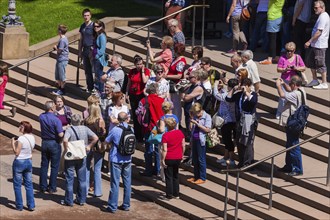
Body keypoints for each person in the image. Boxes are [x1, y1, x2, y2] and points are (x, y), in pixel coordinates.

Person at [62, 114, 98, 206]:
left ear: (72, 122)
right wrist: (89, 146)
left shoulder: (69, 130)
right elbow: (95, 138)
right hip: (82, 155)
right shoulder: (85, 128)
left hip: (71, 156)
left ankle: (69, 201)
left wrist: (66, 149)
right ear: (80, 121)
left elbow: (65, 140)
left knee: (69, 179)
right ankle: (81, 200)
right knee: (82, 179)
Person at [276, 76, 306, 176]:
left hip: (293, 122)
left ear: (294, 84)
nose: (289, 86)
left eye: (290, 84)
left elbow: (282, 95)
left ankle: (297, 169)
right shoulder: (301, 90)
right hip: (297, 121)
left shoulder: (295, 94)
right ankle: (289, 165)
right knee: (289, 145)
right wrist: (284, 84)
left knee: (293, 145)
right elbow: (290, 90)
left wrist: (278, 86)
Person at [226, 78, 258, 168]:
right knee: (239, 141)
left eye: (243, 85)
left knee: (247, 142)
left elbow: (252, 101)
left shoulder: (253, 95)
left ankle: (248, 162)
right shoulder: (239, 95)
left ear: (248, 86)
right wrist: (233, 89)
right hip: (239, 120)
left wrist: (246, 92)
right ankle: (241, 161)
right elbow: (228, 98)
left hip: (249, 121)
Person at [105, 112, 133, 213]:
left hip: (116, 158)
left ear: (118, 119)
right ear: (127, 119)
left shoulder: (115, 130)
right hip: (128, 159)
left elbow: (107, 141)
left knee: (115, 183)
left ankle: (112, 206)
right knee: (127, 183)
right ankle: (126, 204)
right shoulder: (131, 129)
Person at [139, 83, 165, 177]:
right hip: (159, 128)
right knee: (158, 148)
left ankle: (148, 170)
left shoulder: (143, 100)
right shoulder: (162, 100)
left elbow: (139, 113)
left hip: (149, 128)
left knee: (149, 148)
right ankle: (157, 170)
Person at [39, 100, 64, 193]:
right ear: (51, 108)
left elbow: (43, 114)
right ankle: (52, 187)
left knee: (44, 165)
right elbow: (60, 134)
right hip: (54, 143)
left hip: (45, 142)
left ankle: (43, 186)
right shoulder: (56, 119)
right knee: (54, 166)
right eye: (54, 106)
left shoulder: (41, 117)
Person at [276, 42, 307, 118]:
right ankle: (279, 112)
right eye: (287, 50)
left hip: (295, 82)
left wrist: (296, 68)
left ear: (294, 50)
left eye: (291, 50)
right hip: (285, 80)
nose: (289, 52)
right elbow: (278, 69)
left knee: (293, 98)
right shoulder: (282, 58)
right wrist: (285, 69)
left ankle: (293, 113)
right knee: (283, 98)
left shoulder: (297, 57)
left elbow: (303, 67)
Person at [305, 0, 329, 90]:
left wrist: (309, 41)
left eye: (316, 7)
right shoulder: (321, 16)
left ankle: (324, 83)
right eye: (314, 7)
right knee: (310, 62)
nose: (314, 9)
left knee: (320, 64)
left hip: (320, 45)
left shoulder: (323, 17)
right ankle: (315, 79)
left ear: (322, 7)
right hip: (315, 44)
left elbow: (319, 32)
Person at [214, 78, 238, 167]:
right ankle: (225, 157)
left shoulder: (229, 96)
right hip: (231, 120)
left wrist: (215, 85)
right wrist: (223, 87)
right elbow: (225, 92)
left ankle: (231, 159)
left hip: (228, 121)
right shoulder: (236, 94)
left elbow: (217, 95)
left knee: (228, 141)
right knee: (226, 140)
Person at [11, 121, 35, 211]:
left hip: (19, 162)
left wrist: (13, 143)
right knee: (29, 185)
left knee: (17, 185)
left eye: (21, 127)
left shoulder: (21, 138)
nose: (19, 128)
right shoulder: (32, 137)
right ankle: (31, 205)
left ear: (25, 128)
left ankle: (19, 205)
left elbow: (17, 152)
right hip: (28, 161)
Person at [84, 104, 106, 198]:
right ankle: (97, 191)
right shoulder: (100, 121)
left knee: (86, 168)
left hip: (88, 145)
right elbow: (103, 134)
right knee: (97, 169)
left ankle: (84, 190)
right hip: (98, 147)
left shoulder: (86, 121)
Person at [126, 55, 150, 142]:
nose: (139, 66)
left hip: (141, 96)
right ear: (135, 64)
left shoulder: (146, 71)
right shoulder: (132, 71)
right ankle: (137, 136)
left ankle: (143, 135)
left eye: (141, 64)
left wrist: (143, 71)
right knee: (135, 115)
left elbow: (145, 81)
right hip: (133, 95)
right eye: (138, 64)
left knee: (142, 115)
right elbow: (129, 83)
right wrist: (127, 93)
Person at [161, 117, 185, 199]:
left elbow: (164, 149)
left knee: (168, 176)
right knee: (176, 175)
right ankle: (176, 193)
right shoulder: (180, 133)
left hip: (169, 157)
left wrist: (162, 159)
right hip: (178, 156)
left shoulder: (166, 135)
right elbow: (183, 145)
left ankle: (169, 194)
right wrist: (182, 154)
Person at [187, 103, 211, 184]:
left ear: (200, 110)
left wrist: (197, 124)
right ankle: (196, 176)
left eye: (197, 113)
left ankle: (202, 177)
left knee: (201, 159)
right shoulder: (195, 116)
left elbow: (207, 129)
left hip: (201, 140)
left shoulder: (207, 116)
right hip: (194, 139)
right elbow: (191, 128)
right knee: (195, 158)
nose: (196, 115)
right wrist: (191, 121)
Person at [166, 43, 186, 123]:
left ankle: (177, 122)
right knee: (172, 103)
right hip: (171, 84)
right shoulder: (176, 59)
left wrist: (167, 76)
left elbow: (179, 75)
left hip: (176, 86)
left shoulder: (181, 61)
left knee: (176, 105)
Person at [260, 0, 285, 65]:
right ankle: (277, 56)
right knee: (278, 38)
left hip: (273, 17)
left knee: (272, 39)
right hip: (279, 15)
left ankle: (270, 58)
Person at [53, 95, 72, 176]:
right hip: (57, 134)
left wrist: (69, 125)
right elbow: (53, 124)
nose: (59, 103)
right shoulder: (53, 112)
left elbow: (71, 120)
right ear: (55, 103)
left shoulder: (67, 109)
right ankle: (57, 169)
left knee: (66, 151)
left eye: (61, 101)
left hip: (67, 133)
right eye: (58, 101)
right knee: (58, 152)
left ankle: (64, 169)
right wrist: (63, 127)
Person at [79, 8, 94, 93]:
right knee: (87, 70)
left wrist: (94, 48)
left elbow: (97, 37)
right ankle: (89, 87)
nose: (86, 17)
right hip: (85, 49)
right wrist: (80, 51)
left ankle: (95, 87)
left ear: (90, 16)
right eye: (84, 15)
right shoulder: (83, 26)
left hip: (91, 49)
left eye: (88, 15)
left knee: (93, 69)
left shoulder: (93, 26)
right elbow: (81, 39)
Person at [52, 24, 69, 96]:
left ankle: (62, 90)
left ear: (60, 31)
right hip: (60, 59)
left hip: (62, 59)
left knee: (61, 76)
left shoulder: (62, 40)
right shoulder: (63, 39)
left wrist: (55, 47)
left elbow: (59, 50)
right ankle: (59, 88)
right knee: (58, 75)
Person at [93, 20, 108, 93]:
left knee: (99, 75)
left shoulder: (102, 36)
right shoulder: (98, 35)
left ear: (101, 27)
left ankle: (101, 90)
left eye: (97, 26)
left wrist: (96, 55)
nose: (95, 28)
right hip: (96, 58)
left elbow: (102, 49)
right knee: (97, 74)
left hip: (99, 59)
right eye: (94, 26)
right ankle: (97, 89)